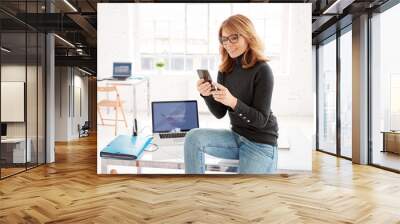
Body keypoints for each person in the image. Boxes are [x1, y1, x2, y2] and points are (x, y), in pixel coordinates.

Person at [184, 14, 279, 174]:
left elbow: (261, 120)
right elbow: (220, 113)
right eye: (224, 39)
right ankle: (195, 190)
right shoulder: (225, 70)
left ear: (248, 36)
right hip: (236, 136)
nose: (228, 44)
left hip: (260, 143)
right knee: (193, 138)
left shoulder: (262, 70)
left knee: (243, 196)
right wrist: (207, 94)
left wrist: (233, 101)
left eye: (233, 38)